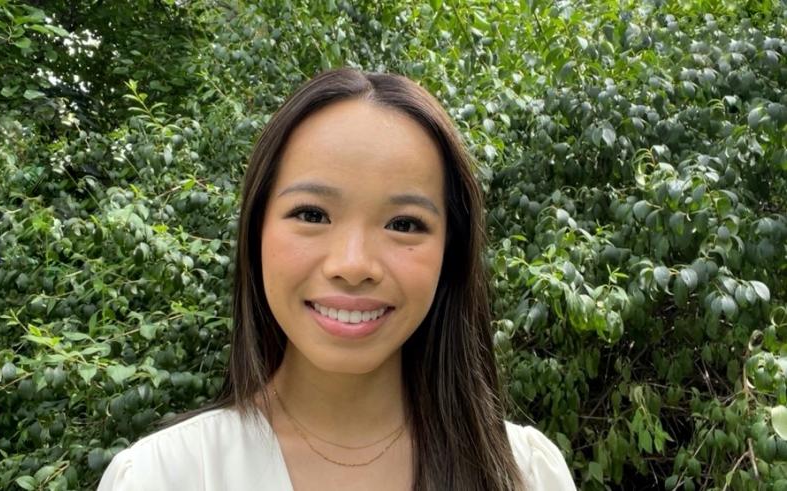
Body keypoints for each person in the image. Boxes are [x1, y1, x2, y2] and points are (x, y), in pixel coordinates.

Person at [98, 68, 575, 490]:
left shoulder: (525, 473)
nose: (352, 263)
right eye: (311, 213)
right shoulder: (166, 476)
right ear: (256, 231)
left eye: (404, 224)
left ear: (450, 252)